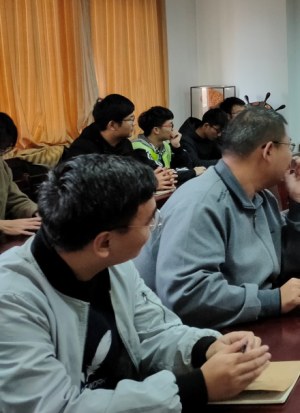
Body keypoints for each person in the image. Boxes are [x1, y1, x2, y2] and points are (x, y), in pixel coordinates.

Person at [0, 155, 271, 411]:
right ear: (104, 242)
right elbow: (54, 407)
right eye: (150, 221)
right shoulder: (11, 299)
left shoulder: (112, 263)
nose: (156, 226)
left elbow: (152, 331)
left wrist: (205, 348)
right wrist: (195, 388)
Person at [134, 106, 300, 329]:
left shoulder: (260, 197)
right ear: (268, 151)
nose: (292, 156)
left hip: (246, 324)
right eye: (289, 146)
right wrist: (273, 300)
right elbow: (187, 297)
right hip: (205, 337)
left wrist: (298, 201)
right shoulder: (200, 203)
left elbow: (292, 262)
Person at [64, 95, 174, 192]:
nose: (134, 124)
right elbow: (99, 188)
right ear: (112, 125)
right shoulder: (83, 150)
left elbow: (136, 173)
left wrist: (161, 176)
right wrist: (148, 184)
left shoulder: (124, 144)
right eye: (130, 119)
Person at [131, 107, 205, 187]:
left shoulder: (165, 146)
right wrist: (193, 172)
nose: (173, 129)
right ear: (156, 130)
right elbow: (163, 176)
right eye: (171, 125)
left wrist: (177, 147)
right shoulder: (138, 148)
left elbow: (186, 167)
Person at [0, 112, 40, 238]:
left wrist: (36, 213)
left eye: (3, 150)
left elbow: (15, 200)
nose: (1, 155)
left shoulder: (1, 166)